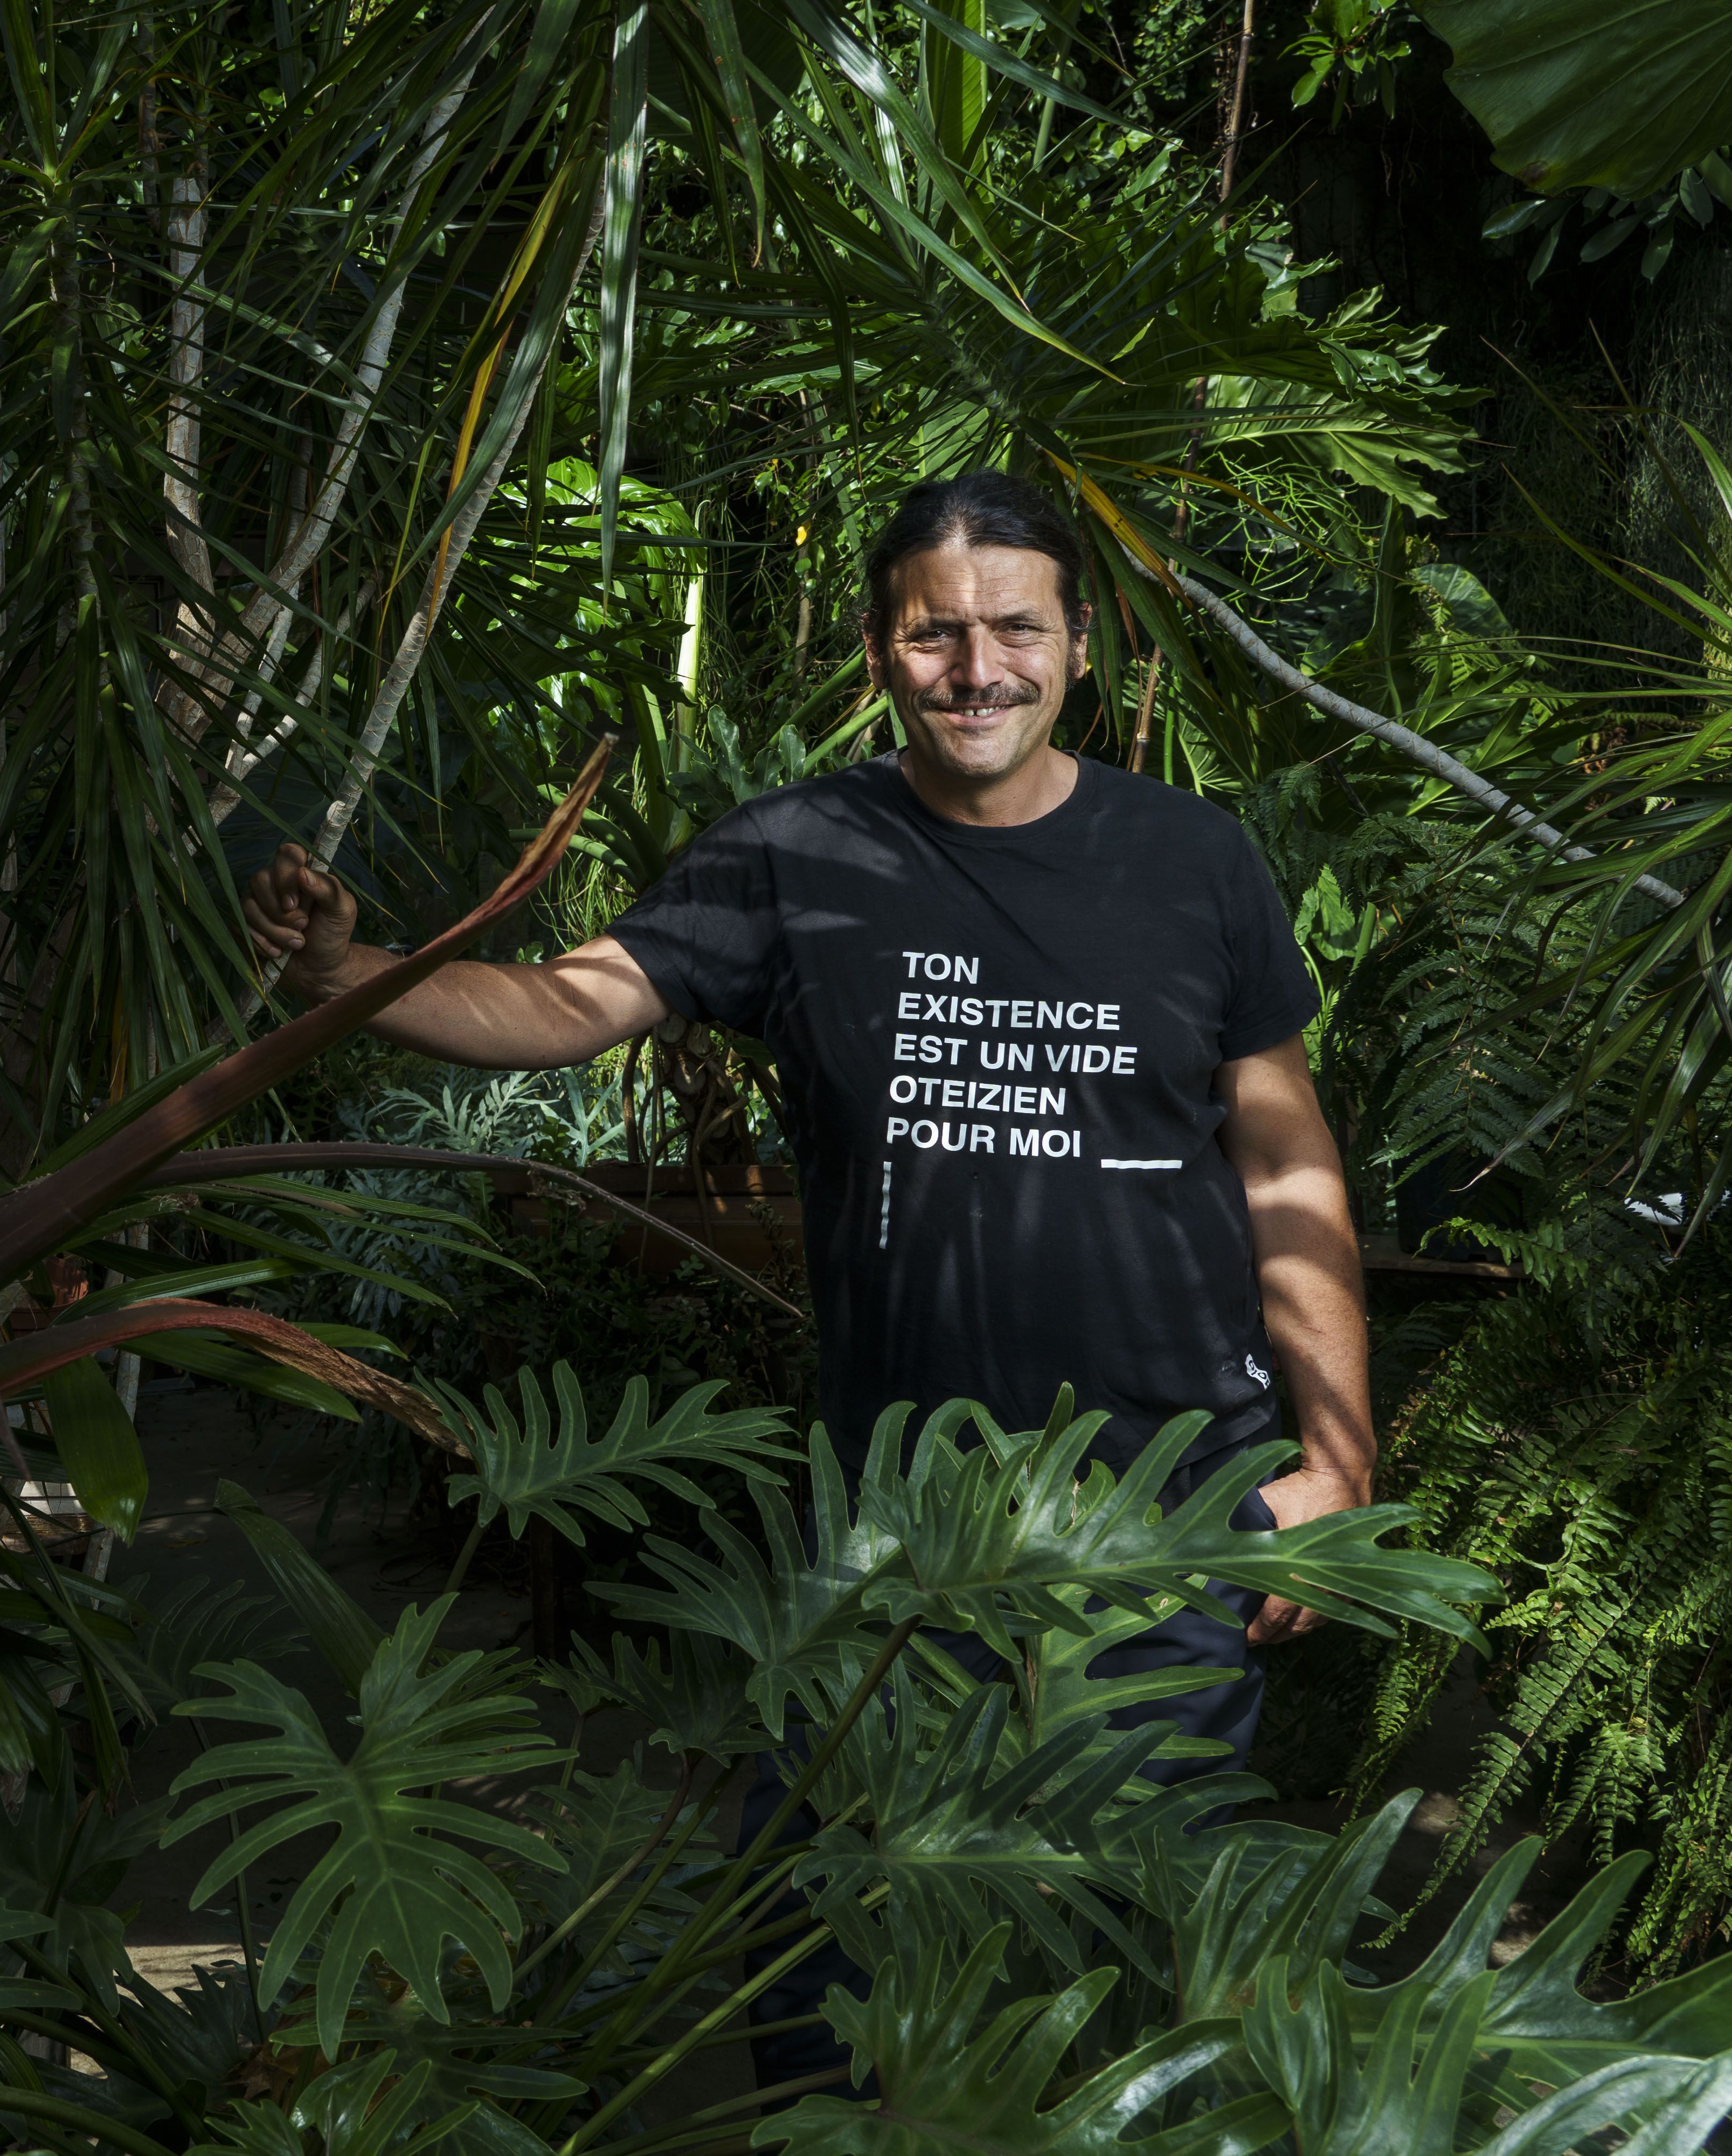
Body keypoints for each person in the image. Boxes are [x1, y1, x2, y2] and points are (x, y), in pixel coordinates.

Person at [241, 466, 1373, 2092]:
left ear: (1078, 644)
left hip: (1166, 1525)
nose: (977, 668)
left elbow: (1288, 1160)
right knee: (833, 1991)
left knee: (1124, 1998)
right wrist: (351, 973)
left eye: (1013, 629)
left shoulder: (1194, 862)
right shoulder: (797, 854)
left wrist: (1337, 1459)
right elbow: (568, 1004)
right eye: (936, 635)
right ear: (877, 648)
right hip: (890, 1539)